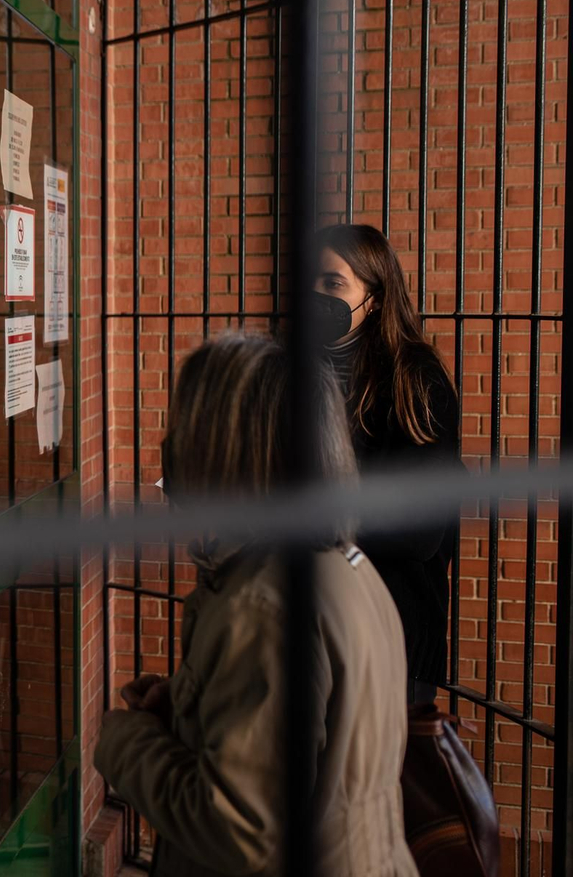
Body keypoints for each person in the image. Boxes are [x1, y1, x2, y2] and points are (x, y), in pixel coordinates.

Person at [93, 334, 416, 877]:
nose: (171, 445)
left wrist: (125, 741)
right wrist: (191, 705)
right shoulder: (345, 565)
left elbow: (241, 829)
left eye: (188, 424)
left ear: (228, 446)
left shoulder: (264, 607)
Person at [312, 224, 462, 705]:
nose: (317, 295)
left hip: (390, 635)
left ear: (373, 298)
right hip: (310, 627)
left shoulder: (415, 378)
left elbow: (421, 530)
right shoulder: (294, 371)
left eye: (334, 284)